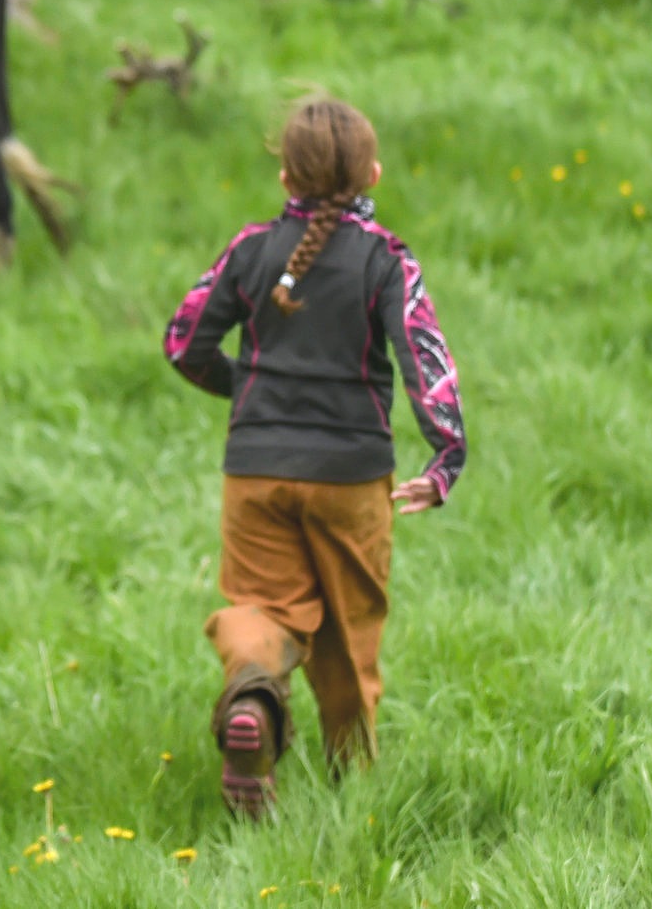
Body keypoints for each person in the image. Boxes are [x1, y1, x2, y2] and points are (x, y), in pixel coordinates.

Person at [159, 96, 467, 816]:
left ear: (283, 178)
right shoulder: (386, 259)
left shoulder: (249, 249)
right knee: (347, 634)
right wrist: (446, 456)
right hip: (351, 477)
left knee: (262, 608)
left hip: (255, 468)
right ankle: (350, 793)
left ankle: (254, 699)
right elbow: (426, 361)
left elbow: (183, 341)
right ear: (374, 174)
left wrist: (248, 397)